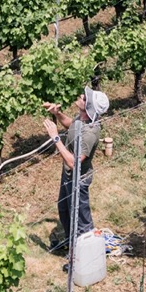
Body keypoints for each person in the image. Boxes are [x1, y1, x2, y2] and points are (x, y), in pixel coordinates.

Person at [43, 86, 110, 250]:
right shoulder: (82, 119)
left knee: (81, 219)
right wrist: (57, 114)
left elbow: (74, 162)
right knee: (64, 209)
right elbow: (71, 125)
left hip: (78, 179)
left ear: (89, 108)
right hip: (68, 175)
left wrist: (55, 138)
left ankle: (84, 255)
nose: (81, 96)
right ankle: (71, 243)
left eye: (85, 98)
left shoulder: (90, 133)